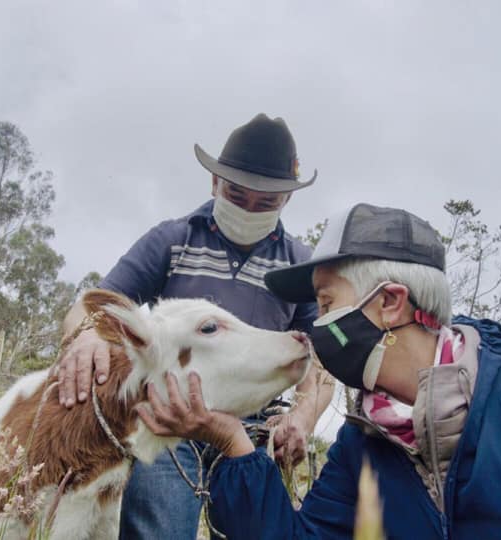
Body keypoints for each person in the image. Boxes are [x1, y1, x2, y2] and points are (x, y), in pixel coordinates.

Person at [137, 202, 501, 539]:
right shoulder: (360, 449)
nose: (315, 329)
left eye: (326, 303)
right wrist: (236, 444)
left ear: (390, 303)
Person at [55, 113, 333, 539]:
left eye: (266, 203)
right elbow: (96, 306)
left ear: (286, 201)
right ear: (215, 184)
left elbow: (321, 358)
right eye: (237, 194)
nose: (248, 209)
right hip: (169, 421)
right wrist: (86, 334)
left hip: (252, 431)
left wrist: (304, 416)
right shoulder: (172, 240)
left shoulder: (298, 266)